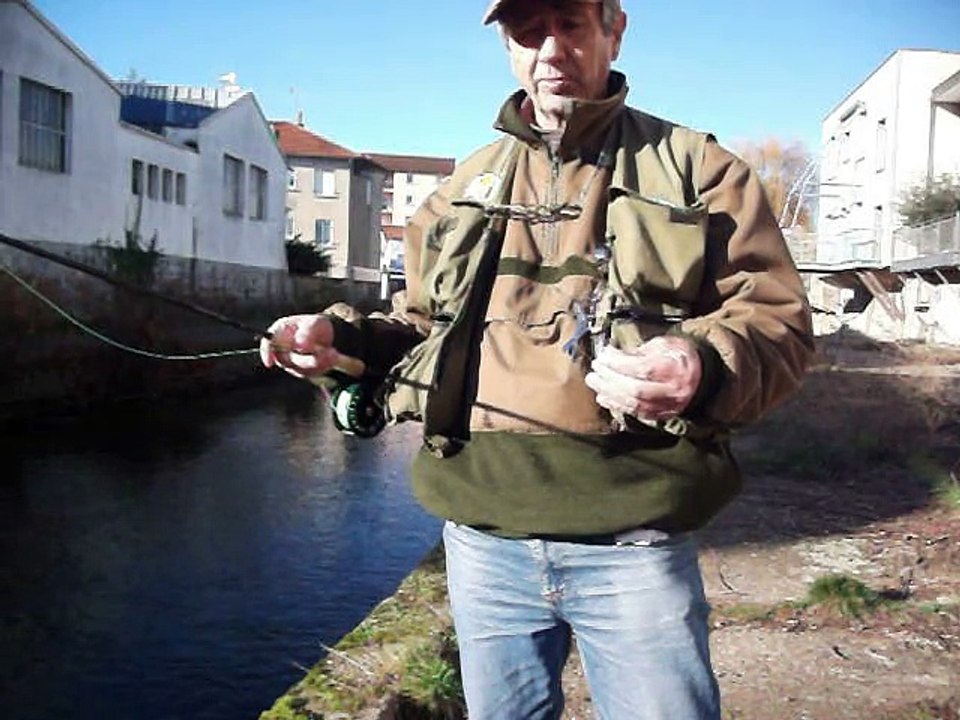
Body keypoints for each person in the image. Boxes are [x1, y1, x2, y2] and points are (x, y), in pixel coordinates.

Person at [260, 0, 814, 717]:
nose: (550, 47)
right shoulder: (465, 187)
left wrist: (700, 365)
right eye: (527, 28)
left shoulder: (701, 170)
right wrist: (343, 344)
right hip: (482, 547)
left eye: (572, 23)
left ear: (614, 31)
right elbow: (419, 326)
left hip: (634, 547)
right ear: (507, 47)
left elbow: (780, 323)